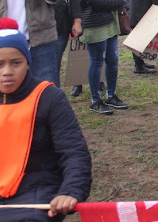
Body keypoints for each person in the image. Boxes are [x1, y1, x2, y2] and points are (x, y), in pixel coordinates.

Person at [0, 18, 92, 222]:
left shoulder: (49, 97)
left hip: (37, 192)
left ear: (28, 63)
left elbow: (73, 151)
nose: (7, 71)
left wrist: (71, 191)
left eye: (16, 63)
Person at [77, 0, 128, 115]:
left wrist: (116, 0)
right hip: (95, 24)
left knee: (113, 62)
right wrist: (117, 1)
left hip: (110, 23)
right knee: (97, 61)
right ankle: (95, 99)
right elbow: (92, 0)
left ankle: (111, 95)